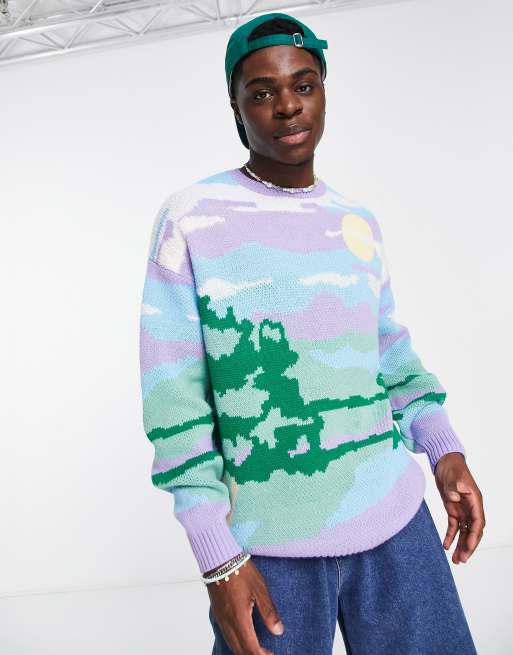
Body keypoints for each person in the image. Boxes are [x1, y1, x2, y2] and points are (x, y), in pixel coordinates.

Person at [138, 11, 484, 655]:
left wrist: (443, 450)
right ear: (236, 108)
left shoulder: (356, 222)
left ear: (324, 92)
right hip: (268, 548)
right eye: (262, 92)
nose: (288, 106)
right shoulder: (192, 218)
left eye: (303, 85)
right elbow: (172, 396)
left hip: (395, 520)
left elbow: (389, 353)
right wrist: (217, 557)